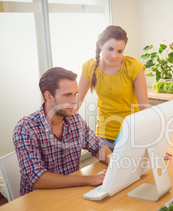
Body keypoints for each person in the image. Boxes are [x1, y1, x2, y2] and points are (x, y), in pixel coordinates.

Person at [13, 67, 112, 196]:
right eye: (67, 95)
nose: (74, 101)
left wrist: (114, 163)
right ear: (48, 96)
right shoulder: (26, 128)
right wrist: (89, 179)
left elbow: (99, 147)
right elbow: (37, 179)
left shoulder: (75, 119)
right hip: (40, 200)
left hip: (70, 192)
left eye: (75, 94)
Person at [78, 25, 150, 151]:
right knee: (107, 169)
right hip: (104, 133)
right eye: (110, 49)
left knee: (135, 168)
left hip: (132, 132)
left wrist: (152, 143)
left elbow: (144, 108)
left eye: (119, 51)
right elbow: (76, 102)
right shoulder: (89, 67)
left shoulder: (134, 67)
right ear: (101, 45)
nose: (114, 55)